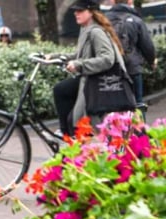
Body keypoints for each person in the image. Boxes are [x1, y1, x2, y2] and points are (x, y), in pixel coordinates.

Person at [52, 0, 133, 137]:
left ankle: (69, 132)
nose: (76, 13)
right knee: (64, 91)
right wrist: (56, 56)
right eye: (75, 11)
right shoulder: (85, 29)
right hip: (91, 76)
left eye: (80, 11)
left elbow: (108, 58)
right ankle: (72, 129)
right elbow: (79, 55)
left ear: (91, 12)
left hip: (97, 79)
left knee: (61, 90)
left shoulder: (96, 32)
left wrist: (79, 65)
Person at [102, 0, 156, 105]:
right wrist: (152, 61)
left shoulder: (103, 20)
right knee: (137, 104)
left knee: (113, 105)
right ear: (130, 1)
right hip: (132, 68)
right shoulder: (136, 21)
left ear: (113, 1)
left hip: (110, 68)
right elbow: (147, 46)